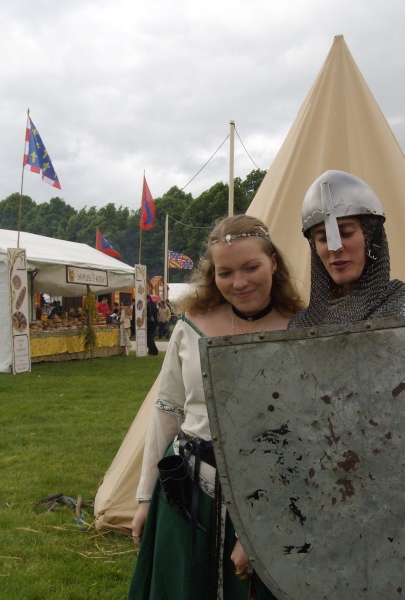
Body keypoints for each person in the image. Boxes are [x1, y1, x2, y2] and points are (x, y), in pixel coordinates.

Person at [128, 215, 304, 600]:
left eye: (251, 267)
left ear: (273, 262)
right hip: (188, 498)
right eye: (225, 272)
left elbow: (302, 438)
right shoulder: (190, 326)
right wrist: (144, 499)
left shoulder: (299, 330)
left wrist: (258, 529)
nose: (239, 283)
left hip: (269, 500)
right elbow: (167, 410)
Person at [289, 170, 405, 329]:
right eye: (323, 238)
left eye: (346, 233)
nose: (335, 247)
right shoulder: (301, 325)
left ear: (372, 237)